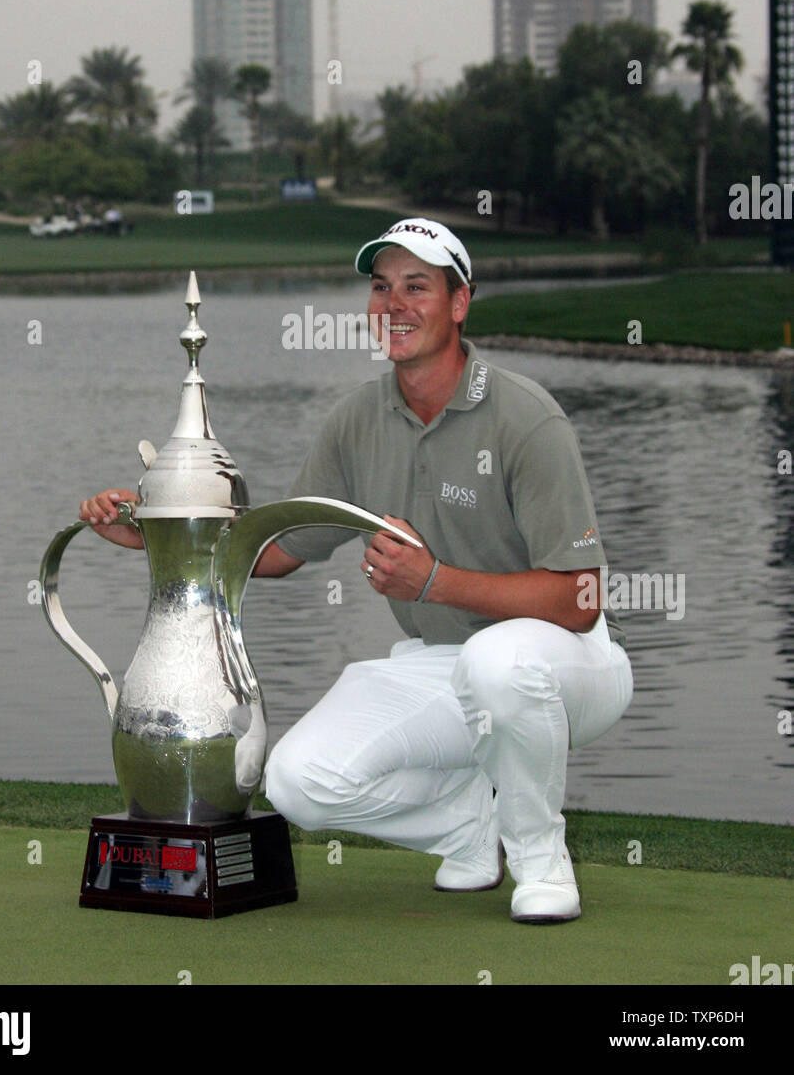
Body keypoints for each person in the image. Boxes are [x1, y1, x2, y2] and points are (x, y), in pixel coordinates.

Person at [80, 217, 633, 923]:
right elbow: (276, 550)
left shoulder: (526, 417)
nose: (394, 304)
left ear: (459, 303)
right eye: (381, 287)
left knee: (498, 662)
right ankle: (469, 827)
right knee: (295, 782)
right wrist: (152, 529)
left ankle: (540, 859)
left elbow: (579, 601)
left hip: (570, 664)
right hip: (440, 663)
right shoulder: (356, 420)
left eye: (417, 286)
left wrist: (432, 582)